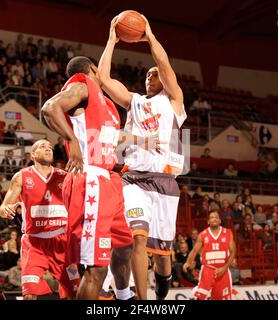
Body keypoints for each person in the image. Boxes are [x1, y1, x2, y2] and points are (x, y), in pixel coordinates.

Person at [97, 15, 186, 300]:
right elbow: (104, 79)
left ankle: (163, 283)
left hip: (165, 183)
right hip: (133, 180)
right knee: (137, 238)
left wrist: (148, 37)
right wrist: (112, 40)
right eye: (146, 75)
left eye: (154, 74)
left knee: (162, 256)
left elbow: (164, 65)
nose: (150, 77)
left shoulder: (173, 100)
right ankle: (141, 303)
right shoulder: (134, 101)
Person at [41, 56, 134, 300]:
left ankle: (124, 296)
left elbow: (107, 141)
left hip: (109, 182)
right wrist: (71, 140)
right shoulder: (82, 86)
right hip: (90, 179)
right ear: (93, 69)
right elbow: (49, 108)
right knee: (97, 269)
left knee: (125, 246)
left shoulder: (107, 106)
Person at [0, 139, 79, 300]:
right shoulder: (21, 176)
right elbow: (2, 208)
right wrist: (5, 210)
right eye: (43, 147)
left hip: (61, 242)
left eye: (50, 147)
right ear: (33, 154)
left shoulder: (65, 176)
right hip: (34, 243)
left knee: (75, 292)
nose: (48, 149)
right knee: (29, 294)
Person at [183, 211, 236, 300]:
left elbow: (233, 252)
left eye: (216, 217)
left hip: (223, 271)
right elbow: (194, 250)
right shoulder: (202, 235)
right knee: (200, 297)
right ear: (208, 221)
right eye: (211, 217)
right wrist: (188, 262)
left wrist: (225, 267)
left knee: (220, 298)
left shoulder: (228, 233)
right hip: (207, 270)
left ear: (219, 220)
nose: (214, 219)